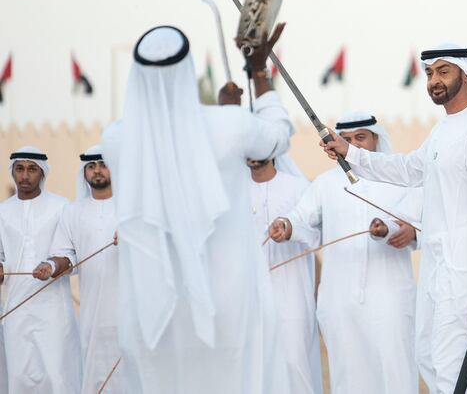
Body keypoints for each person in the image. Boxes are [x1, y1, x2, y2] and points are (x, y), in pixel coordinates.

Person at [101, 25, 292, 393]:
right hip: (230, 312)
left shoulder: (116, 139)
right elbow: (278, 136)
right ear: (188, 69)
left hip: (153, 319)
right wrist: (257, 71)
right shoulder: (229, 125)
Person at [321, 45, 467, 393]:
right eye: (429, 73)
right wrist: (351, 153)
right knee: (436, 359)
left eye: (443, 71)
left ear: (465, 74)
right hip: (439, 269)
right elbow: (410, 168)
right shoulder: (444, 130)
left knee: (456, 368)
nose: (434, 80)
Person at [270, 111, 421, 394]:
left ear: (377, 139)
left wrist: (394, 230)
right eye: (346, 139)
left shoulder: (401, 181)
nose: (353, 145)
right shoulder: (326, 184)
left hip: (389, 299)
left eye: (360, 138)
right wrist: (286, 225)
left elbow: (424, 225)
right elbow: (301, 217)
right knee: (348, 377)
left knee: (395, 372)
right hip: (339, 299)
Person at [31, 146, 123, 393]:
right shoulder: (73, 211)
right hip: (93, 311)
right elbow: (65, 256)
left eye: (102, 165)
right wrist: (49, 267)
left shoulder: (130, 209)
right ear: (84, 173)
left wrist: (133, 238)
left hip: (130, 309)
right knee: (95, 374)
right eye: (91, 167)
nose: (97, 171)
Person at [0, 146, 81, 393]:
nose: (25, 175)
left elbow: (72, 253)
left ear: (42, 173)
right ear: (12, 171)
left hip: (53, 309)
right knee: (19, 374)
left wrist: (52, 265)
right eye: (20, 169)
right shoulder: (2, 210)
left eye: (32, 169)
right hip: (16, 307)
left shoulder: (61, 207)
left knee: (56, 374)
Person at [249, 156, 322, 394]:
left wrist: (291, 230)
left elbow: (318, 236)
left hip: (292, 292)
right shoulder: (233, 191)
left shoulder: (299, 188)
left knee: (294, 362)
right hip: (249, 297)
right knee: (255, 368)